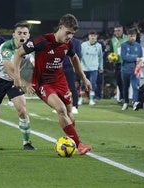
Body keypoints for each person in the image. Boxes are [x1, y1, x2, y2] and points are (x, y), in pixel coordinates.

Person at [13, 13, 92, 155]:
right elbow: (18, 53)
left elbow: (74, 58)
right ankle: (79, 145)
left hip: (60, 81)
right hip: (43, 83)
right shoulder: (42, 41)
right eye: (68, 33)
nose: (70, 37)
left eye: (72, 34)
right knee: (61, 109)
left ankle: (70, 142)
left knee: (69, 112)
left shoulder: (69, 44)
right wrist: (17, 77)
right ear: (60, 27)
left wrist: (84, 78)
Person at [0, 22, 36, 150]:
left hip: (13, 82)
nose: (22, 36)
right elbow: (9, 68)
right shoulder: (6, 46)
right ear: (14, 35)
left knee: (22, 110)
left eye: (25, 33)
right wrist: (25, 83)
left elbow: (35, 65)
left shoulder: (31, 47)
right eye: (19, 33)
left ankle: (27, 143)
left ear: (28, 35)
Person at [120, 28, 143, 111]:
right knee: (125, 87)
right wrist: (135, 58)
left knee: (135, 87)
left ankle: (135, 103)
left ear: (136, 36)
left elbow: (140, 58)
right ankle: (125, 102)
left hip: (135, 70)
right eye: (131, 36)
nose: (132, 38)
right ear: (127, 36)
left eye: (134, 36)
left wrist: (139, 63)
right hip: (125, 70)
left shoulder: (138, 46)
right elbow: (124, 57)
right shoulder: (123, 45)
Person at [79, 30, 103, 106]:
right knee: (83, 84)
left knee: (93, 83)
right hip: (84, 68)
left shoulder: (99, 46)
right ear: (88, 36)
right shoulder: (83, 45)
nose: (93, 37)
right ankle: (81, 98)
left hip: (94, 68)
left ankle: (91, 99)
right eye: (91, 35)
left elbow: (100, 57)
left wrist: (101, 67)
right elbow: (79, 56)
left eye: (94, 36)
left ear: (96, 37)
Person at [109, 25, 128, 103]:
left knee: (126, 81)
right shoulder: (112, 40)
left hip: (126, 63)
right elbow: (111, 52)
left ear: (122, 30)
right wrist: (111, 58)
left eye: (119, 30)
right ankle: (122, 97)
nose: (117, 32)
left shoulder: (127, 38)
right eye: (116, 31)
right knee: (119, 81)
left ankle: (126, 98)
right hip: (117, 63)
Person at [62, 37, 81, 114]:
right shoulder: (60, 39)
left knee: (72, 87)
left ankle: (75, 106)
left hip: (70, 67)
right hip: (59, 67)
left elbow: (78, 55)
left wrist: (75, 66)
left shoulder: (76, 42)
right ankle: (62, 106)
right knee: (60, 87)